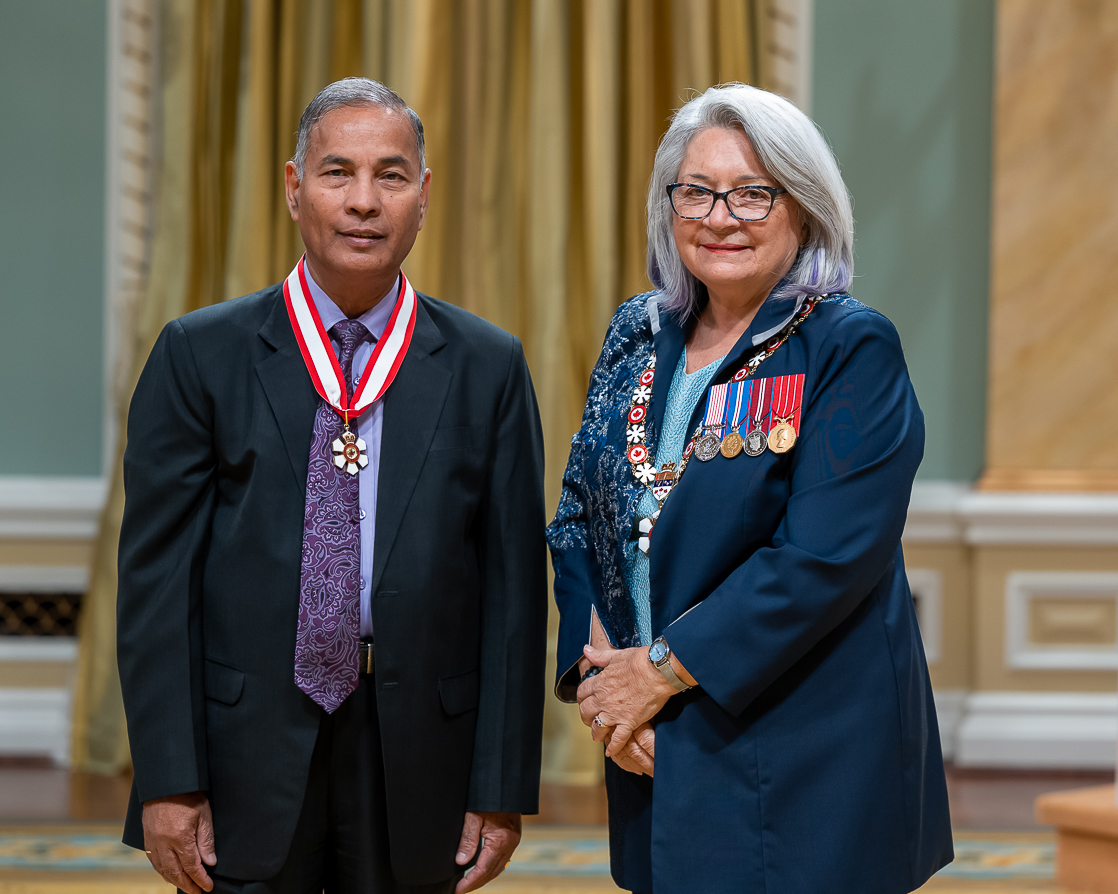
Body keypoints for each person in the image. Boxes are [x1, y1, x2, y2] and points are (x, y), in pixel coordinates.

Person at [117, 78, 548, 894]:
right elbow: (156, 589)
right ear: (293, 188)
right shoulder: (200, 355)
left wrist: (500, 786)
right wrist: (168, 779)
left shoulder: (488, 366)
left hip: (421, 751)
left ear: (423, 197)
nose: (363, 201)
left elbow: (514, 594)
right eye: (337, 172)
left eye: (391, 176)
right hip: (243, 748)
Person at [547, 83, 953, 894]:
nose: (720, 216)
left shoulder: (847, 346)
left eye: (752, 193)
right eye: (696, 191)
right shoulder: (637, 331)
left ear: (803, 206)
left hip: (804, 756)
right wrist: (603, 685)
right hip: (650, 739)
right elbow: (579, 517)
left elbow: (821, 558)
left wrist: (656, 673)